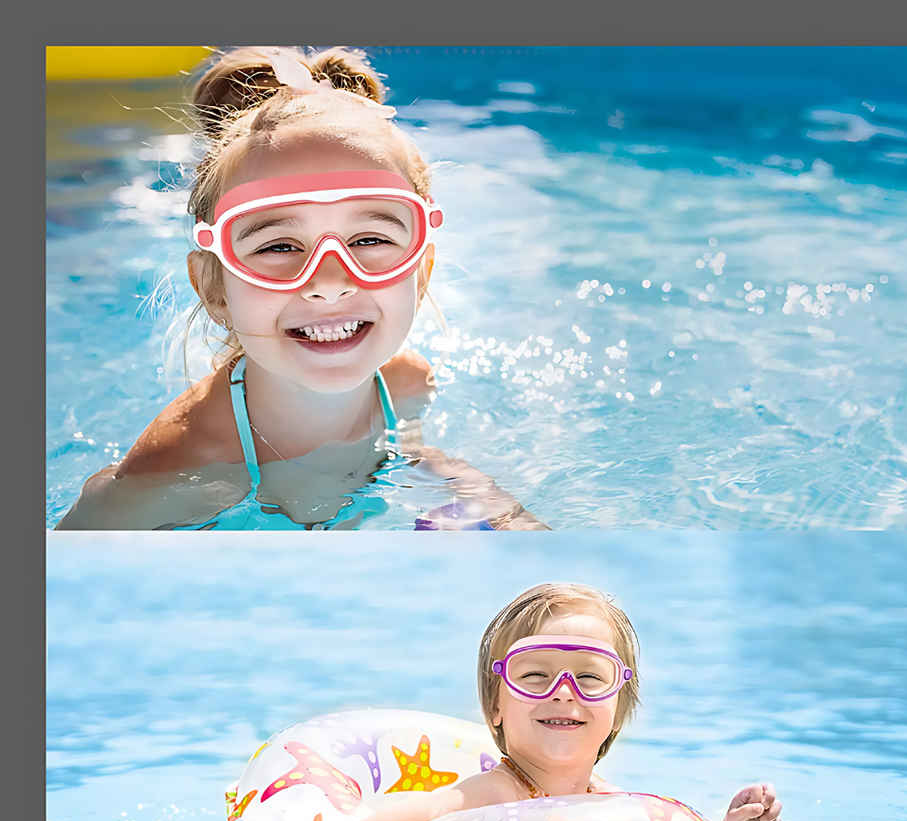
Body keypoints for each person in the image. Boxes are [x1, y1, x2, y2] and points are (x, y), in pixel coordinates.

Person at [57, 47, 545, 531]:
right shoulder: (177, 470)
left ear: (421, 273)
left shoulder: (406, 386)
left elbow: (408, 456)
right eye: (279, 246)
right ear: (214, 289)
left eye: (371, 239)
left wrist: (494, 510)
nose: (329, 283)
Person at [337, 583, 782, 821]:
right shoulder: (494, 792)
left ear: (618, 709)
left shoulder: (610, 801)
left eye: (589, 677)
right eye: (534, 676)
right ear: (497, 706)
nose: (564, 691)